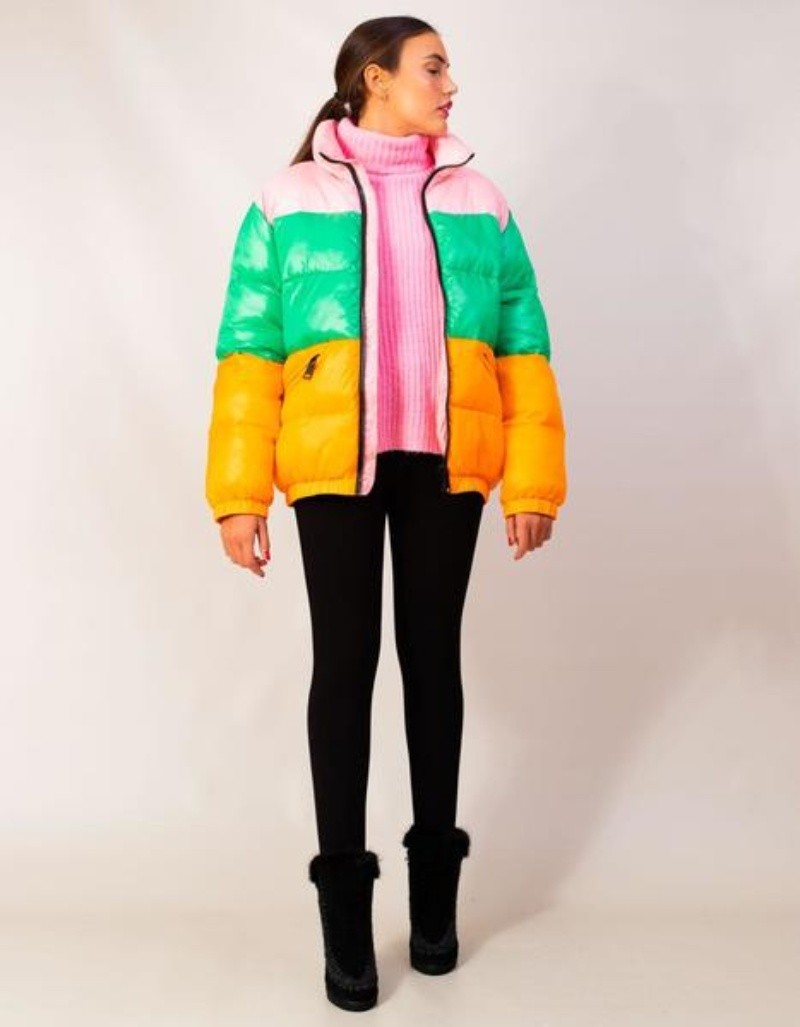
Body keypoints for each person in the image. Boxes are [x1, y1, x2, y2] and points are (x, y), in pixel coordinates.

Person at [204, 14, 567, 1012]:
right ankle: (345, 928)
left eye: (448, 68)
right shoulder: (288, 199)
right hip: (333, 468)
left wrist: (533, 480)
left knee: (432, 662)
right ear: (374, 78)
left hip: (447, 464)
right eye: (433, 67)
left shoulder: (479, 200)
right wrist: (238, 494)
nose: (451, 85)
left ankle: (436, 910)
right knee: (345, 667)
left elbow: (523, 346)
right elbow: (247, 355)